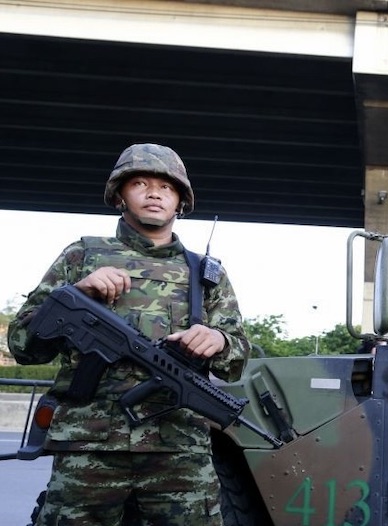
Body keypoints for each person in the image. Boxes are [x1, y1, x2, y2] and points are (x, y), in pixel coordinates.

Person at [7, 143, 251, 525]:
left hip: (178, 450)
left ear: (180, 202)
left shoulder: (205, 273)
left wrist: (219, 341)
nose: (154, 193)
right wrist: (77, 294)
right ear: (119, 195)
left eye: (167, 187)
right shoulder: (82, 256)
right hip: (88, 446)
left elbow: (237, 355)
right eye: (140, 183)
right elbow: (23, 345)